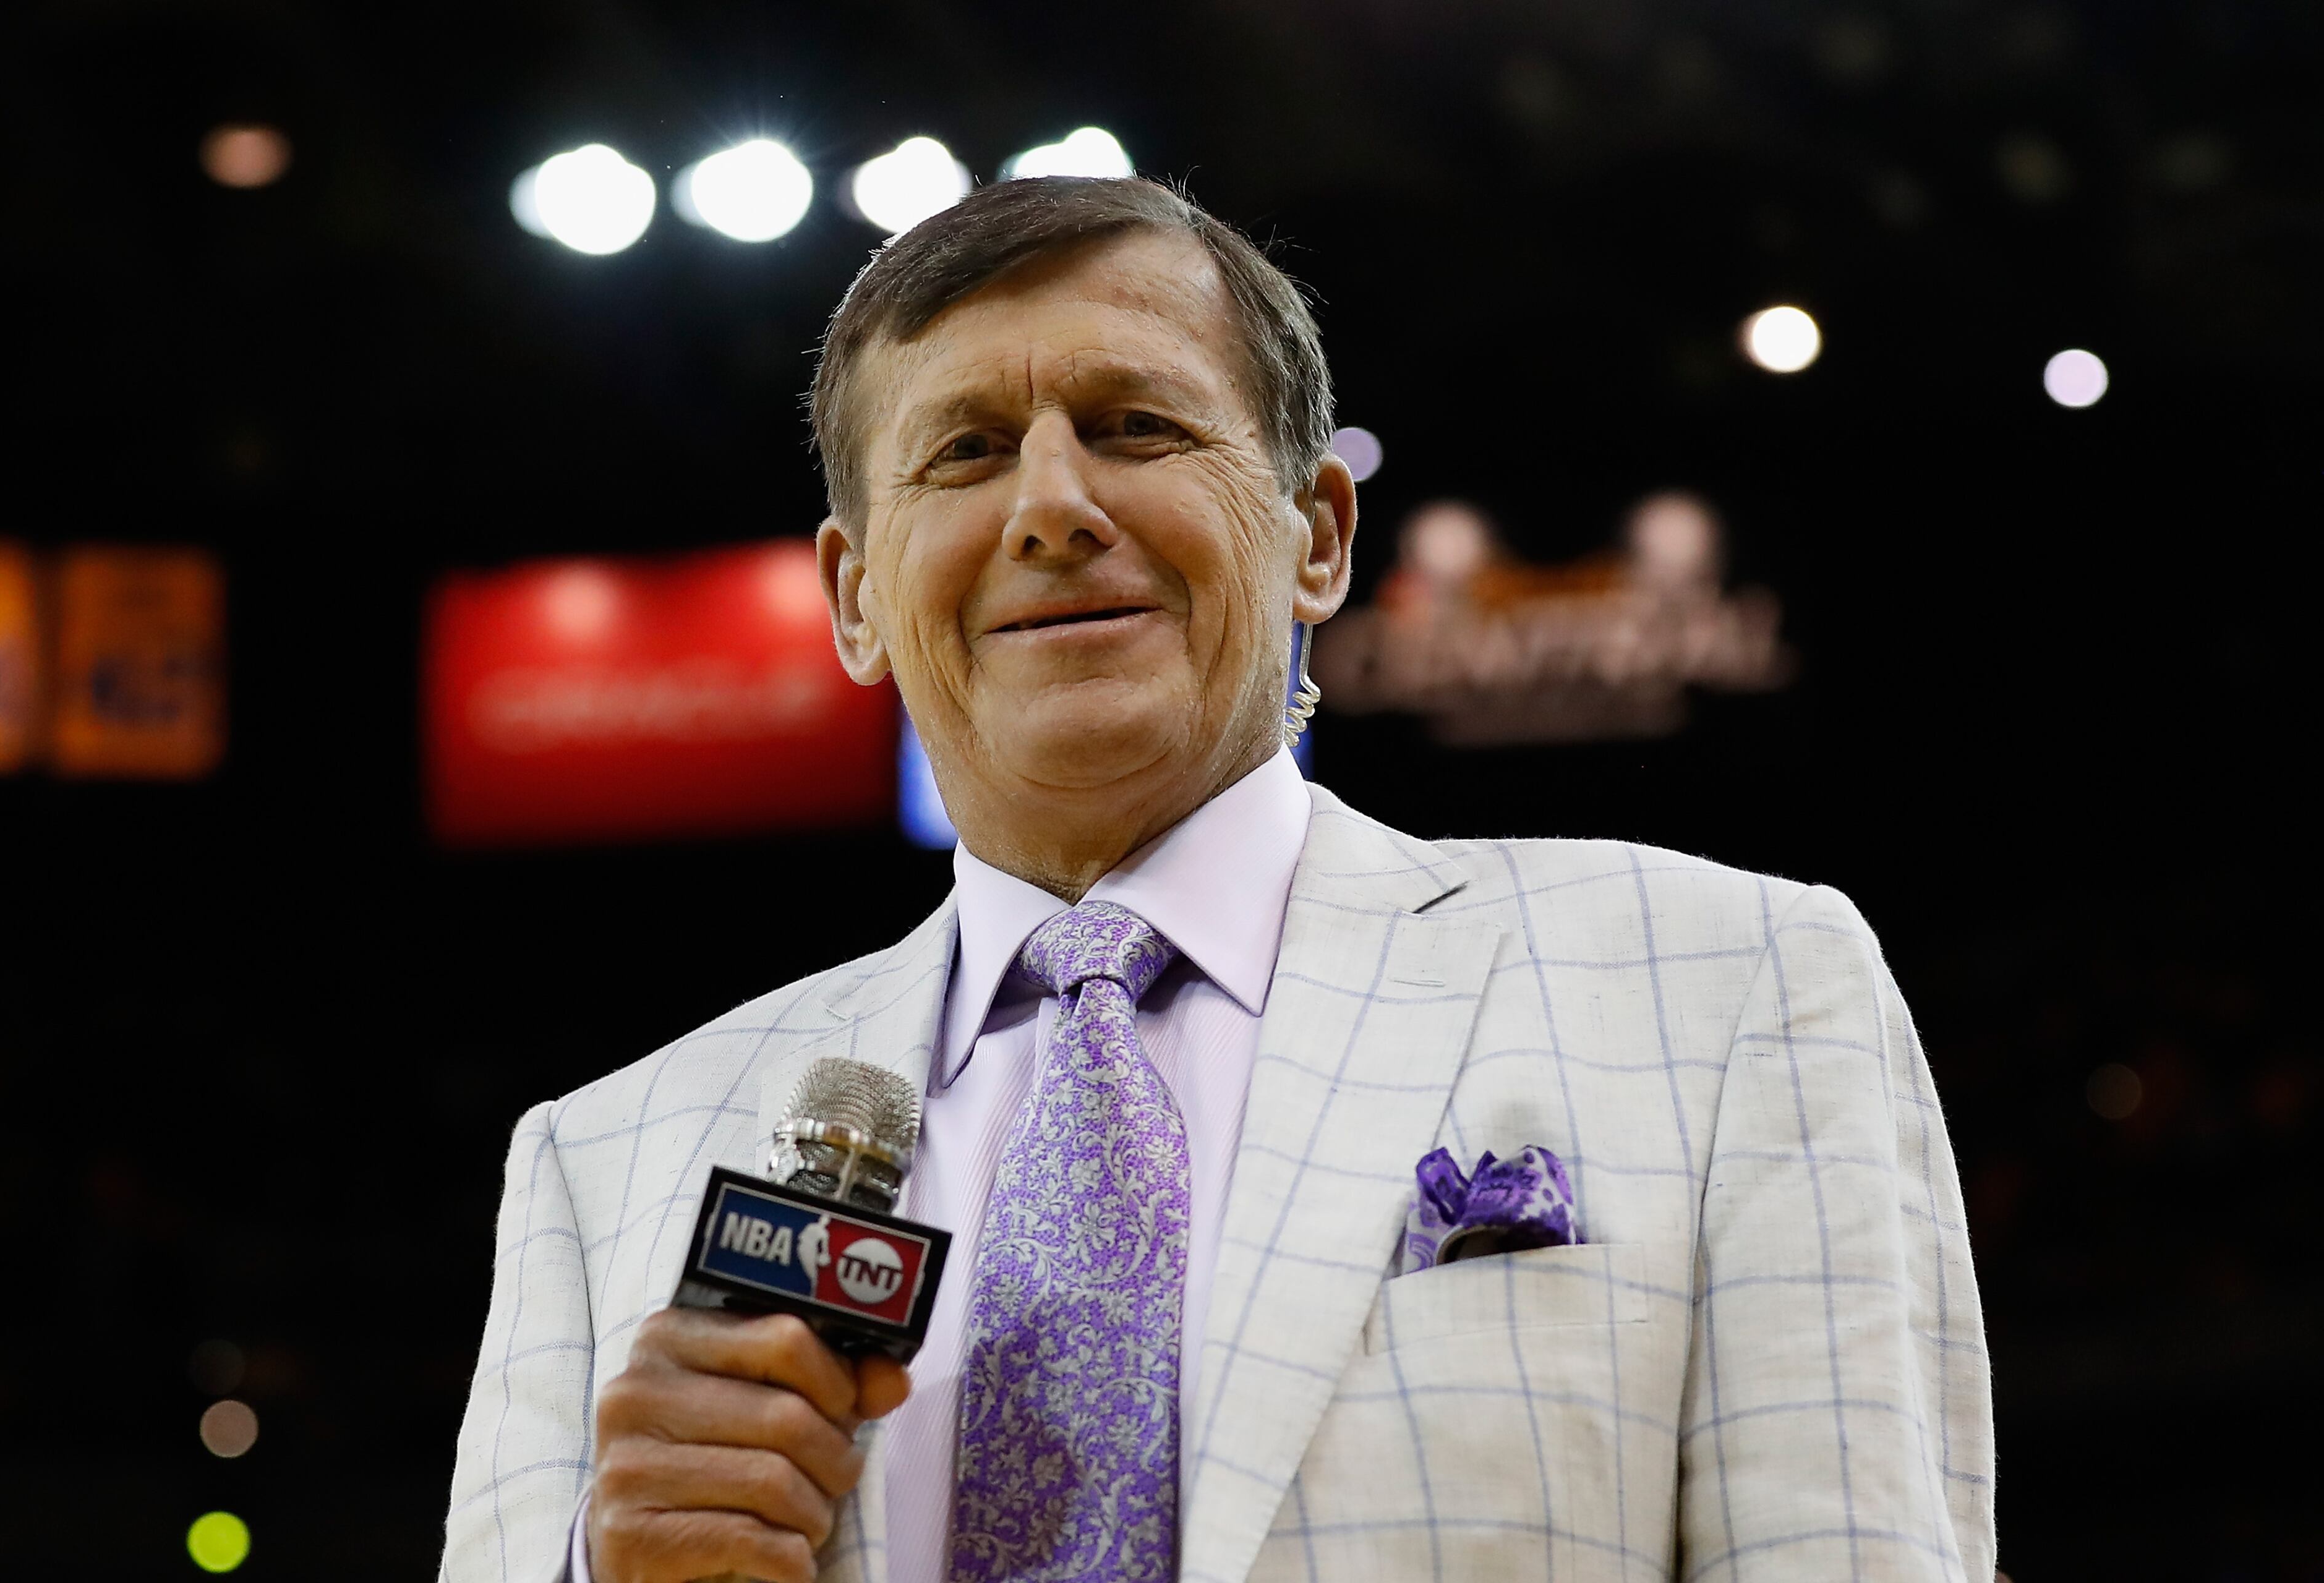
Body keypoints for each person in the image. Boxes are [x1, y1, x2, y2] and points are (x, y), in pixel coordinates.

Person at [440, 176, 1993, 1583]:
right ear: (854, 598)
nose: (1052, 507)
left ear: (1317, 535)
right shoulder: (603, 1162)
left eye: (1136, 426)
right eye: (968, 451)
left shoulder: (1731, 988)